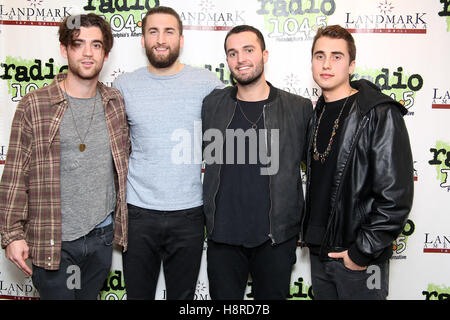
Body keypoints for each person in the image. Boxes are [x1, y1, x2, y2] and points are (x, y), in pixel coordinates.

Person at [0, 13, 129, 300]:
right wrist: (12, 235)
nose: (87, 52)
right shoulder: (35, 104)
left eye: (96, 45)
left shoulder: (114, 103)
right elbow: (14, 175)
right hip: (52, 240)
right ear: (64, 49)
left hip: (101, 237)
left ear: (106, 54)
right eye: (78, 44)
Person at [112, 6, 223, 300]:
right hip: (137, 213)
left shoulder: (208, 84)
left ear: (181, 39)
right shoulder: (123, 85)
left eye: (169, 31)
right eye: (153, 31)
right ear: (142, 39)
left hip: (188, 214)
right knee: (137, 295)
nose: (161, 39)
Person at [302, 25, 414, 300]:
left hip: (357, 257)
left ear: (351, 65)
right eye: (319, 55)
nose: (326, 64)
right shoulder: (316, 112)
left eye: (337, 57)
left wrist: (362, 251)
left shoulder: (378, 113)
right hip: (319, 250)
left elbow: (396, 196)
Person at [202, 25, 313, 300]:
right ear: (227, 60)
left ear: (264, 54)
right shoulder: (212, 105)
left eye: (248, 50)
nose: (241, 59)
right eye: (232, 53)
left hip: (275, 239)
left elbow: (319, 169)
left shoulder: (298, 108)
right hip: (223, 238)